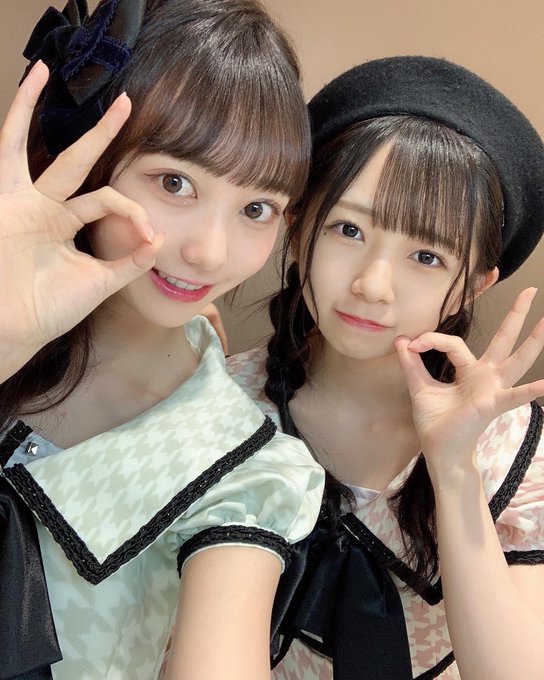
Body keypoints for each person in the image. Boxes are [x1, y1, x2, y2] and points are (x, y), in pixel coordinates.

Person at [0, 1, 325, 678]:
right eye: (175, 183)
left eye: (256, 209)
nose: (210, 251)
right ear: (92, 161)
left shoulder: (246, 472)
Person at [227, 56, 544, 679]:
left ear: (474, 286)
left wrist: (454, 470)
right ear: (299, 228)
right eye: (348, 229)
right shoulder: (218, 404)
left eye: (426, 256)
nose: (372, 284)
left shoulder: (513, 446)